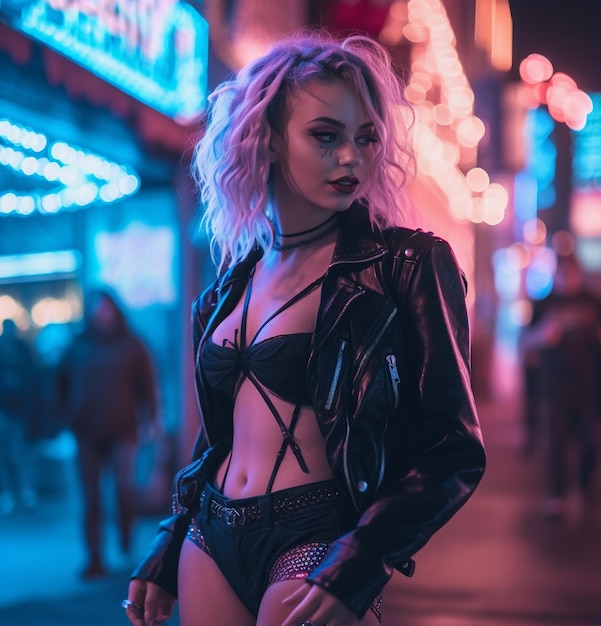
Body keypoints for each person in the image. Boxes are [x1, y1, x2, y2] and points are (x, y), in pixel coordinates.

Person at [124, 30, 486, 626]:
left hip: (314, 533)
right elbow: (221, 436)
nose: (353, 157)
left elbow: (454, 449)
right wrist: (169, 543)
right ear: (265, 140)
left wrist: (365, 557)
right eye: (326, 136)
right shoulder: (227, 287)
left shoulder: (404, 265)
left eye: (366, 138)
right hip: (209, 537)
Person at [58, 288, 159, 579]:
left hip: (123, 429)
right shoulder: (78, 345)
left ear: (114, 309)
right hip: (86, 430)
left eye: (105, 306)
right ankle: (94, 557)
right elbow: (59, 382)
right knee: (90, 497)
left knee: (123, 490)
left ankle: (126, 542)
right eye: (95, 307)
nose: (100, 312)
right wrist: (67, 415)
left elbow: (147, 386)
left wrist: (151, 422)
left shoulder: (132, 344)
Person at [521, 252, 601, 518]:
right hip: (555, 386)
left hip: (591, 385)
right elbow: (526, 341)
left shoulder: (594, 301)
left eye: (572, 273)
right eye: (563, 274)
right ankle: (557, 495)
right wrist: (542, 335)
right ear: (556, 276)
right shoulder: (544, 304)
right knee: (556, 442)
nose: (568, 279)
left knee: (593, 440)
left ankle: (583, 485)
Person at [0, 318, 38, 515]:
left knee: (22, 452)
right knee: (5, 453)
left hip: (20, 410)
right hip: (4, 409)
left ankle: (25, 490)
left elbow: (31, 376)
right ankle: (8, 492)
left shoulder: (22, 349)